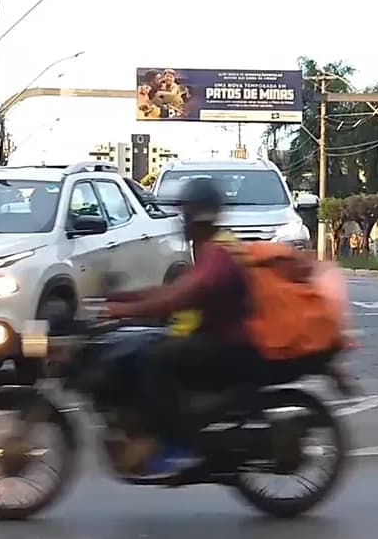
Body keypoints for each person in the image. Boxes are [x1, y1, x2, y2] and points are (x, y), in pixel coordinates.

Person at [103, 177, 261, 478]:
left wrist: (125, 310)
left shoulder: (218, 254)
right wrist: (118, 298)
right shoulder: (208, 249)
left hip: (227, 345)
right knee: (139, 344)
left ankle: (177, 446)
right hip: (211, 336)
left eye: (185, 213)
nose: (181, 220)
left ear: (198, 215)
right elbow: (174, 289)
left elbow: (180, 296)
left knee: (154, 359)